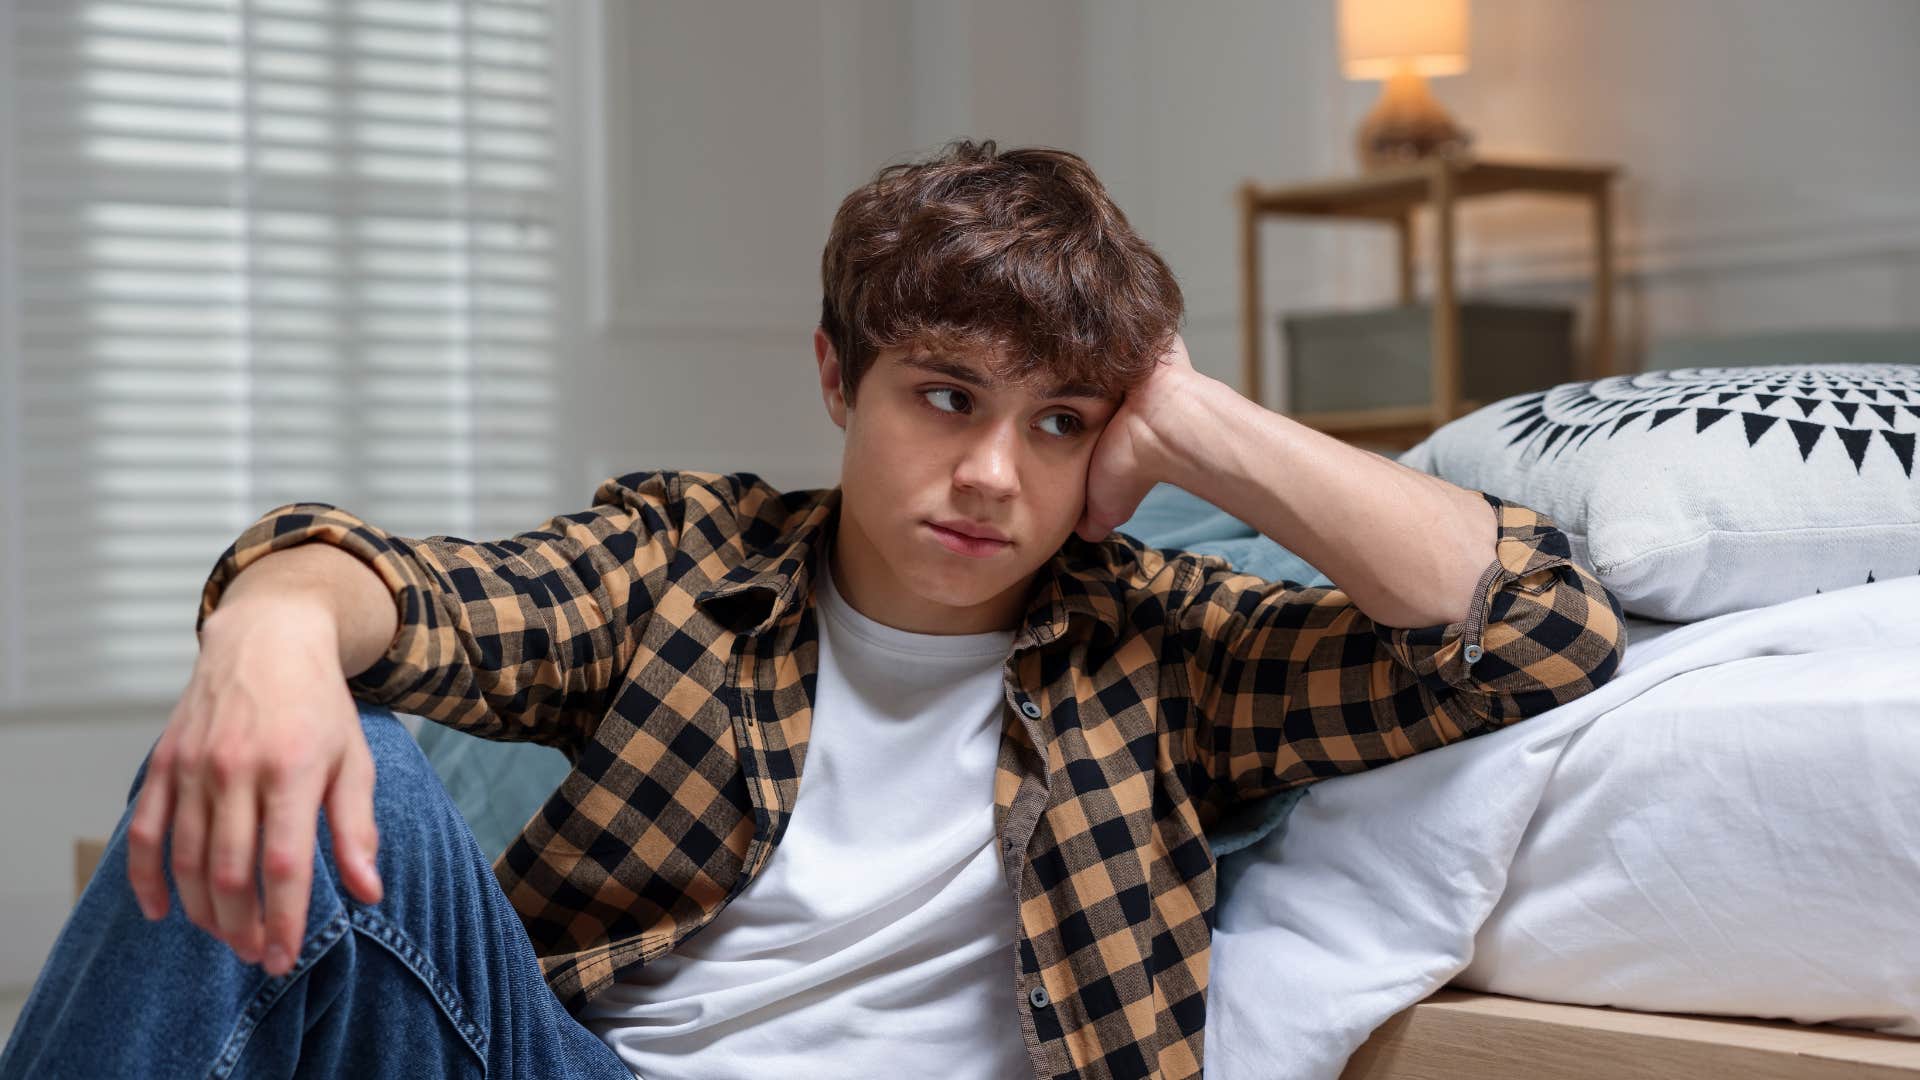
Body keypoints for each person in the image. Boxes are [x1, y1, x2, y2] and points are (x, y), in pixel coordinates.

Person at [1, 139, 1626, 1080]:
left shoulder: (1165, 647)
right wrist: (269, 629)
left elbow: (1534, 630)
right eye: (945, 396)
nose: (994, 473)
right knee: (307, 753)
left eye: (1060, 422)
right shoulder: (691, 570)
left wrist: (1198, 418)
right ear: (840, 381)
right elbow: (418, 592)